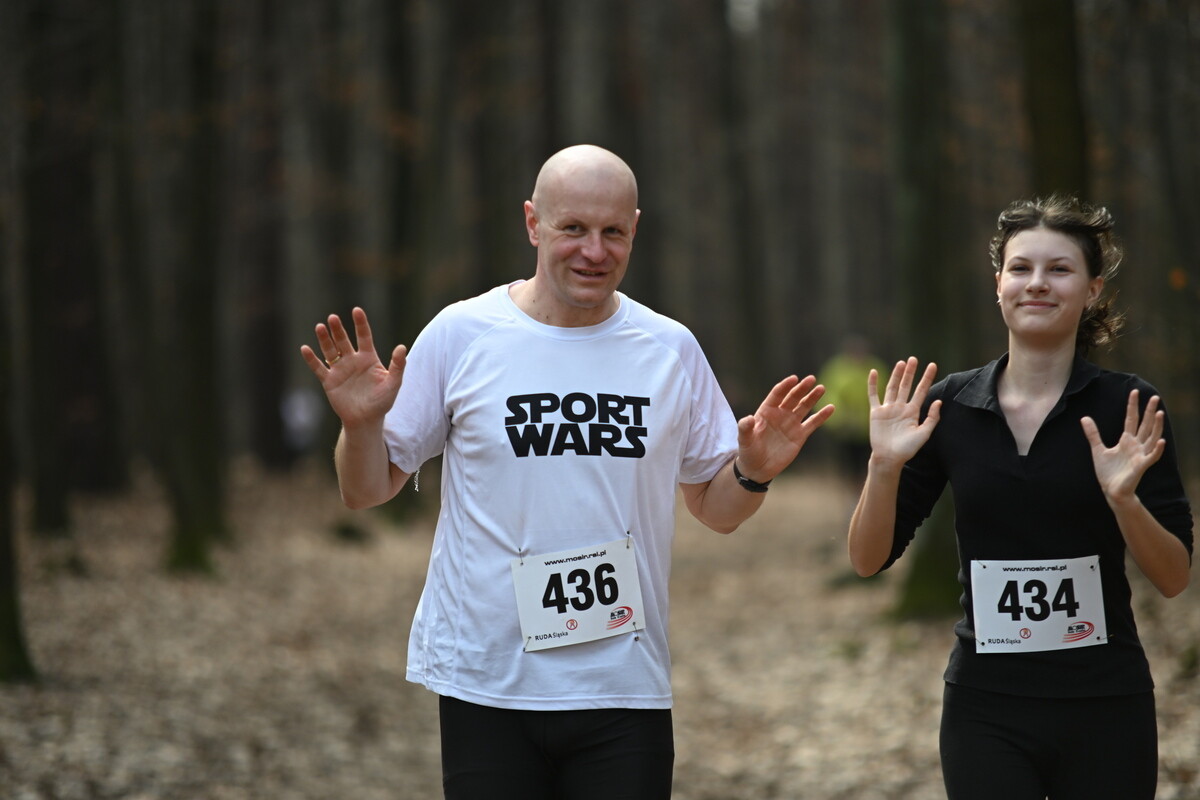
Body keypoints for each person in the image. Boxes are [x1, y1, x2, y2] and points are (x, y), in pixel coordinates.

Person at [300, 144, 835, 799]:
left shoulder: (668, 349)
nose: (594, 251)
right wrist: (359, 426)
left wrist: (753, 471)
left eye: (614, 232)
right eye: (573, 229)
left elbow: (715, 510)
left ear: (635, 228)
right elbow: (363, 490)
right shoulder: (463, 335)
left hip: (623, 683)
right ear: (533, 223)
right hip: (488, 679)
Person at [847, 196, 1192, 800]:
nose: (1037, 283)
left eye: (1059, 269)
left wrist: (1124, 501)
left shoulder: (1128, 407)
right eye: (1020, 268)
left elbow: (1173, 577)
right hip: (986, 705)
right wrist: (882, 465)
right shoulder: (948, 408)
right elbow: (866, 560)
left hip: (1105, 701)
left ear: (1091, 289)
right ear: (998, 284)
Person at [817, 334, 886, 484]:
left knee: (870, 466)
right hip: (846, 431)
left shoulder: (876, 368)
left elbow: (884, 394)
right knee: (849, 468)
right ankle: (851, 499)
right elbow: (829, 395)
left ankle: (867, 495)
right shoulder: (837, 369)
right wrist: (839, 419)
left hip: (870, 429)